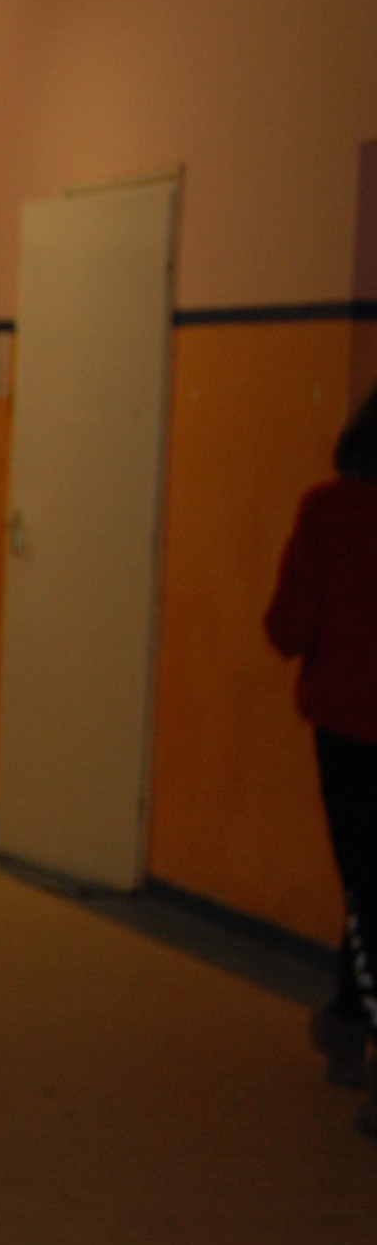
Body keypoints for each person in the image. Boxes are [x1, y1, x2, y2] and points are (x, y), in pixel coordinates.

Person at [267, 383, 377, 1130]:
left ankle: (351, 1029)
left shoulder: (331, 510)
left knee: (366, 885)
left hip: (351, 729)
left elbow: (287, 627)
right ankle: (344, 1018)